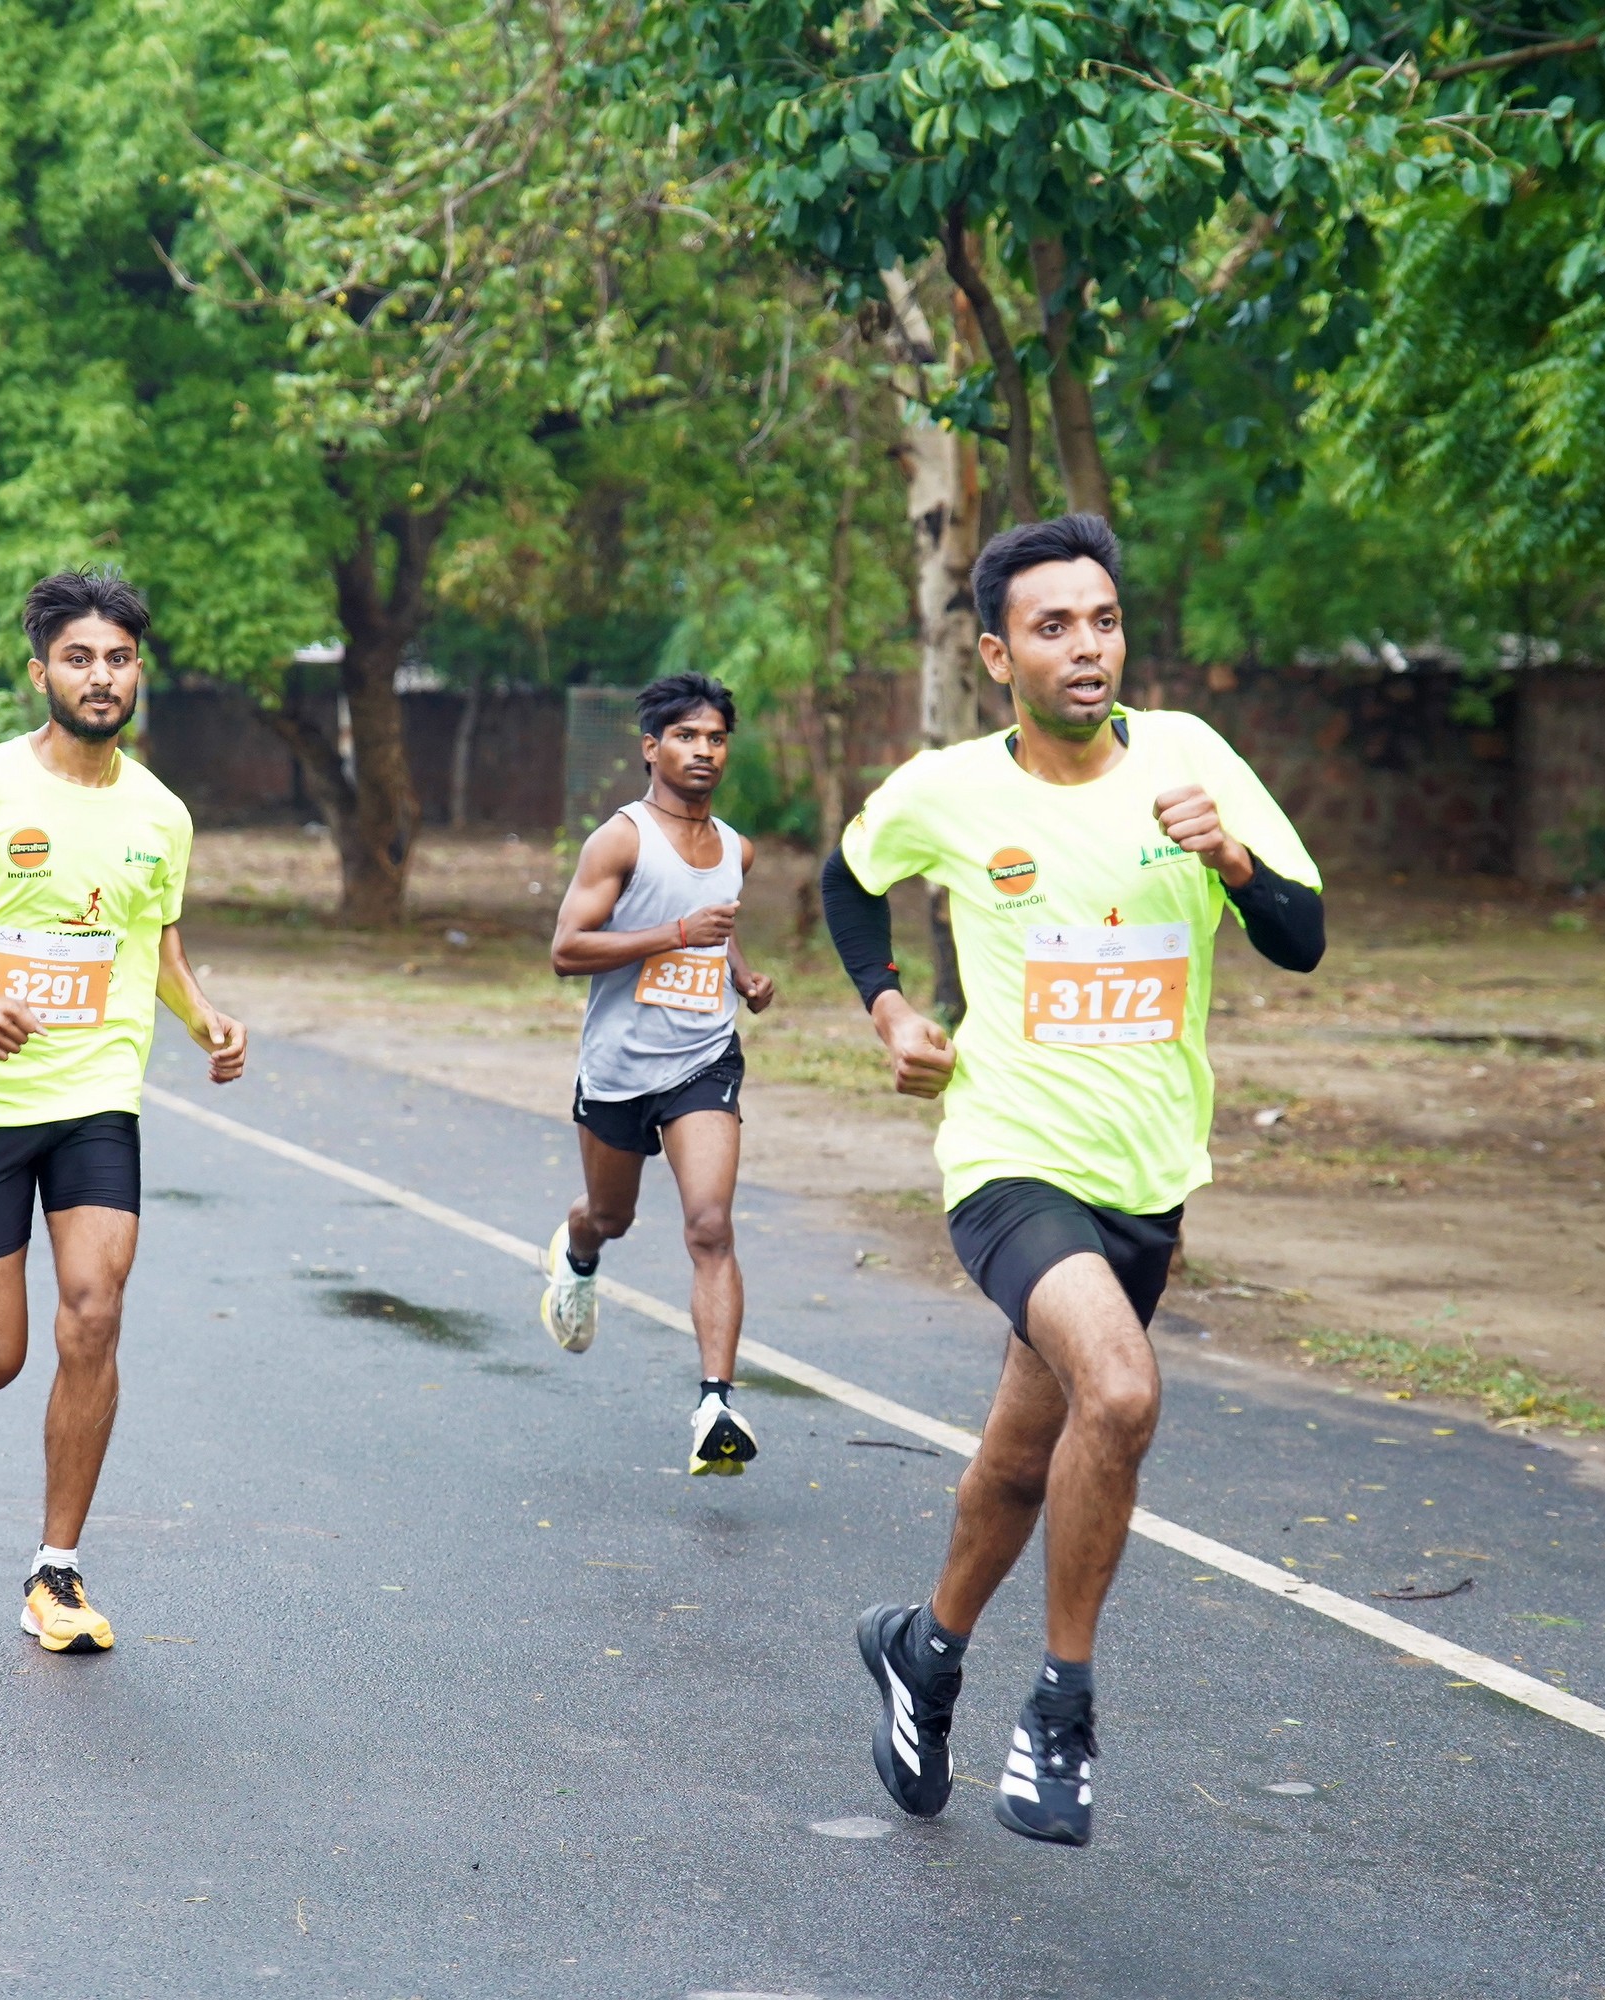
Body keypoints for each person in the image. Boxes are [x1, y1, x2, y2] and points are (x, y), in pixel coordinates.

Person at [823, 514, 1325, 1847]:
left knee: (1020, 1457)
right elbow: (849, 880)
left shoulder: (1190, 758)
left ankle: (923, 1649)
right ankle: (1061, 1706)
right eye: (1053, 626)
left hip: (1147, 1180)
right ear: (998, 655)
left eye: (1103, 620)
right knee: (1123, 1389)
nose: (1087, 645)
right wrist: (889, 1008)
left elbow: (1303, 936)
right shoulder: (948, 790)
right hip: (1008, 1160)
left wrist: (1231, 861)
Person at [0, 569, 248, 1655]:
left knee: (95, 1310)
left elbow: (153, 940)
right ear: (40, 674)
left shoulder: (161, 813)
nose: (101, 676)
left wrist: (205, 1016)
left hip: (96, 1095)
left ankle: (57, 1567)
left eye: (118, 658)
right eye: (79, 658)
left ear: (139, 671)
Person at [540, 672, 776, 1478]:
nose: (703, 750)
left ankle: (716, 1405)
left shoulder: (737, 848)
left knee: (710, 1224)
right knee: (611, 1216)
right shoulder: (621, 840)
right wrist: (676, 932)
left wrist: (740, 975)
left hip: (704, 1059)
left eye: (716, 738)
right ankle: (577, 1255)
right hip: (618, 1068)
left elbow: (718, 922)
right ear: (651, 747)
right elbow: (567, 950)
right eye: (685, 736)